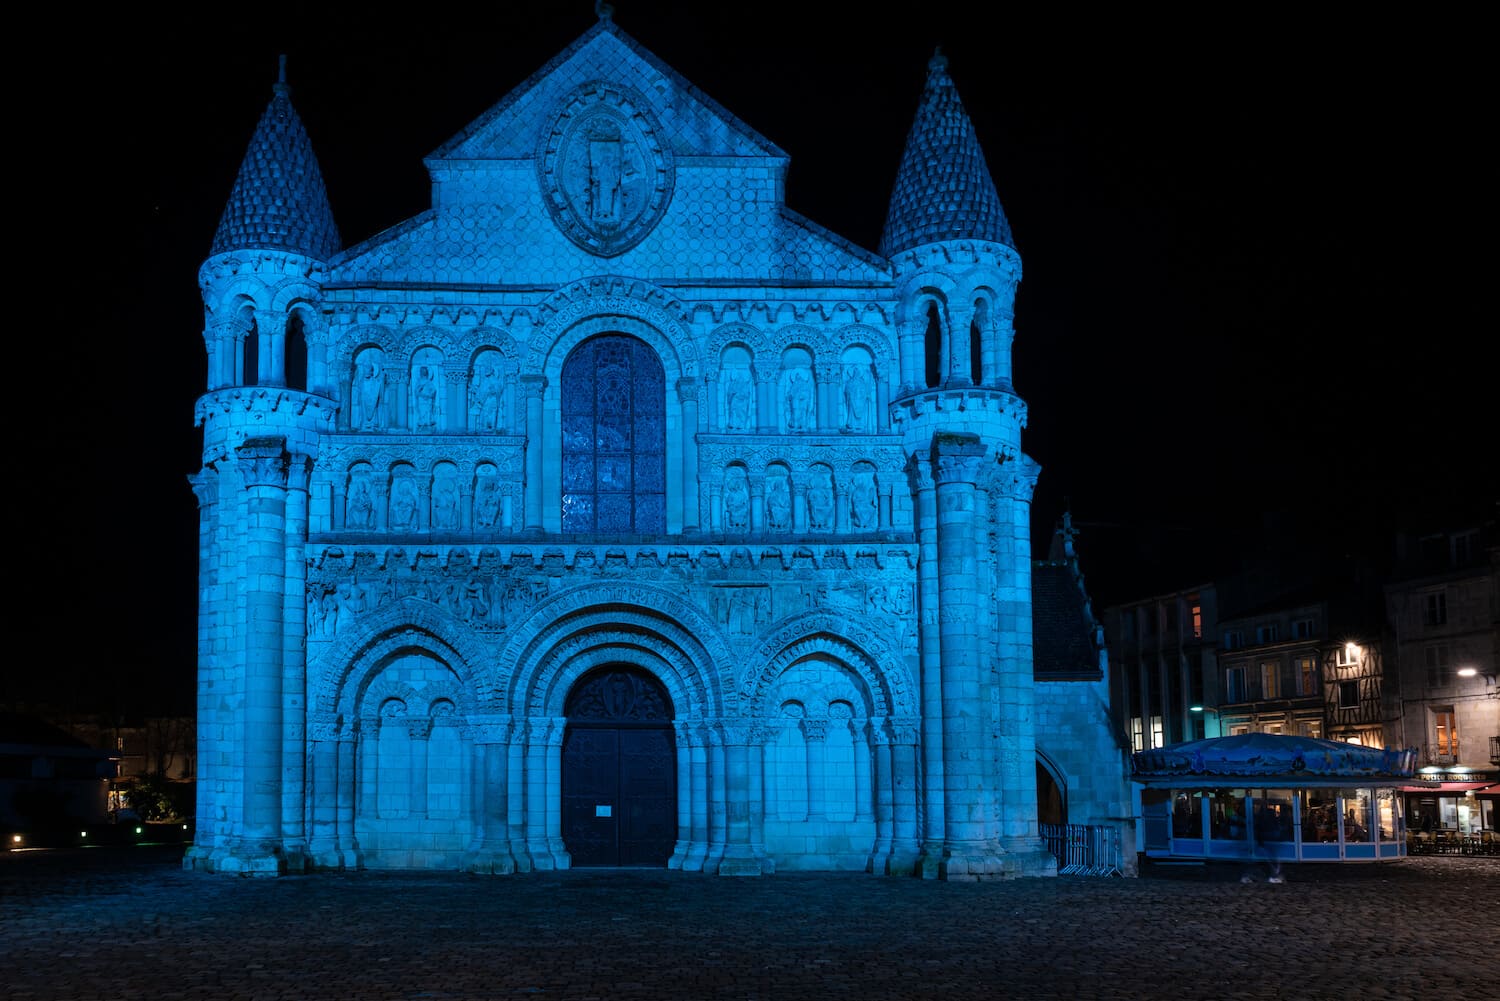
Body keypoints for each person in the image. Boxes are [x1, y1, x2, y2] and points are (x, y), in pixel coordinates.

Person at [1243, 802, 1285, 884]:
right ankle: (1272, 876)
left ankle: (1270, 876)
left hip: (1266, 843)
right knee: (1269, 860)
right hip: (1268, 843)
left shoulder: (1263, 820)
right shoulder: (1268, 821)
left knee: (1267, 860)